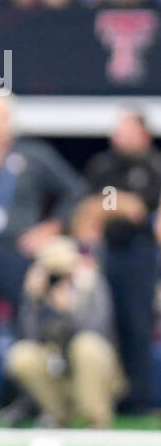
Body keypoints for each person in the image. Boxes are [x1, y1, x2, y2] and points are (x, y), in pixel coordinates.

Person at [0, 91, 85, 419]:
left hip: (16, 252)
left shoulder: (33, 154)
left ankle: (30, 403)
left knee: (24, 330)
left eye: (1, 116)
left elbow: (75, 189)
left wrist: (48, 228)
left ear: (11, 119)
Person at [82, 108, 161, 412]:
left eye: (126, 129)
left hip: (140, 256)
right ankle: (107, 395)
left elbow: (140, 211)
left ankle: (140, 399)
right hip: (106, 253)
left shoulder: (154, 165)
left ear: (142, 132)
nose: (119, 135)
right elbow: (89, 208)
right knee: (101, 324)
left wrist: (109, 206)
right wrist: (115, 206)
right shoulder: (103, 165)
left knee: (137, 325)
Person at [4, 236, 124, 427]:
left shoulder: (90, 283)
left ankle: (96, 418)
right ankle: (58, 416)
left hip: (93, 370)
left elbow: (98, 330)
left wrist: (69, 311)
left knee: (86, 346)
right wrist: (36, 301)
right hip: (56, 365)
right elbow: (29, 336)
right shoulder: (38, 291)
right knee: (21, 354)